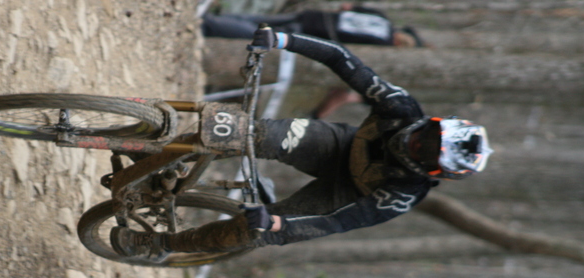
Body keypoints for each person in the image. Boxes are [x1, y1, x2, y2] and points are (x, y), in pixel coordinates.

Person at [110, 28, 493, 261]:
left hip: (342, 194)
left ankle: (157, 242)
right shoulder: (400, 107)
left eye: (424, 154)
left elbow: (336, 222)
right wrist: (283, 39)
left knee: (258, 232)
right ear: (431, 123)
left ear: (430, 173)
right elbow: (344, 60)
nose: (416, 145)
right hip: (338, 145)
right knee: (249, 133)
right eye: (427, 137)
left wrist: (277, 222)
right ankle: (159, 157)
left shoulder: (401, 195)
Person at [201, 4, 424, 48]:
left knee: (260, 20)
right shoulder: (382, 42)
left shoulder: (382, 17)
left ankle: (212, 20)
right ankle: (212, 26)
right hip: (315, 31)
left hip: (314, 17)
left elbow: (348, 7)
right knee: (260, 32)